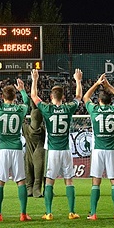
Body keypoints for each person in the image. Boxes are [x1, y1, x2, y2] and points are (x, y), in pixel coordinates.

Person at [30, 68, 84, 220]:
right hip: (66, 149)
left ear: (51, 97)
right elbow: (79, 96)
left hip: (52, 150)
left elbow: (33, 96)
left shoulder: (47, 109)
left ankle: (48, 213)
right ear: (63, 97)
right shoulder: (68, 108)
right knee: (69, 180)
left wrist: (35, 79)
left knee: (49, 181)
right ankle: (72, 212)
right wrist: (78, 80)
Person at [0, 77, 31, 222]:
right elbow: (27, 102)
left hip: (2, 149)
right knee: (21, 181)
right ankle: (23, 214)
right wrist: (22, 90)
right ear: (15, 97)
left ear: (2, 97)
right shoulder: (20, 109)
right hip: (16, 148)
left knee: (0, 182)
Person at [83, 73, 114, 220]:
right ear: (109, 101)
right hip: (111, 149)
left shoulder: (94, 110)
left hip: (98, 150)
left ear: (99, 100)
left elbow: (85, 98)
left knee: (96, 182)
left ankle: (94, 213)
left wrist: (97, 84)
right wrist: (109, 86)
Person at [22, 105, 45, 199]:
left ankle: (30, 188)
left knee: (29, 169)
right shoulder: (43, 129)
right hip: (39, 151)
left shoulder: (26, 128)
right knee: (39, 170)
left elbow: (22, 120)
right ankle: (35, 189)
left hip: (29, 151)